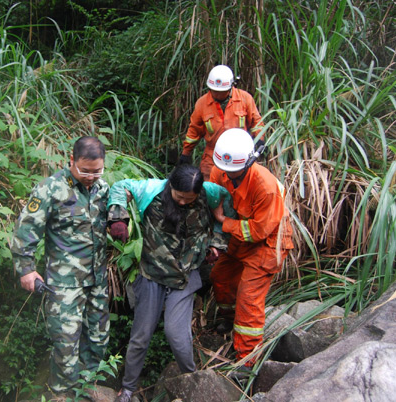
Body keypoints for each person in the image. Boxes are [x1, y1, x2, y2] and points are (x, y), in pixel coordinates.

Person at [108, 165, 234, 402]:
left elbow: (226, 205)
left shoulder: (210, 192)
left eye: (190, 198)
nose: (184, 202)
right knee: (141, 335)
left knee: (177, 334)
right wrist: (119, 219)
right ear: (171, 186)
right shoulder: (151, 190)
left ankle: (192, 380)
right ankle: (128, 388)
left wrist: (217, 243)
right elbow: (120, 186)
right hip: (152, 275)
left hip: (185, 277)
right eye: (179, 197)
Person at [10, 136, 110, 396]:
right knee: (65, 345)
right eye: (85, 171)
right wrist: (26, 268)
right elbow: (26, 230)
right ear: (71, 161)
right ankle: (62, 394)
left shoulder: (103, 188)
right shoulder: (51, 188)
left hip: (97, 279)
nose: (91, 176)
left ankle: (89, 389)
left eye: (97, 171)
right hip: (64, 283)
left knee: (98, 339)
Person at [208, 128, 294, 368]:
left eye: (234, 171)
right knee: (220, 277)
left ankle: (246, 361)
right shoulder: (220, 170)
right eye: (225, 170)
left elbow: (258, 231)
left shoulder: (264, 186)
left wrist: (225, 223)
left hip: (267, 243)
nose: (228, 175)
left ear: (249, 162)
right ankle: (228, 318)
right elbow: (214, 203)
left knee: (249, 300)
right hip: (237, 236)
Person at [179, 64, 265, 180]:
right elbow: (194, 130)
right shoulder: (202, 104)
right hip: (212, 155)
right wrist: (186, 152)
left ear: (230, 87)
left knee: (242, 185)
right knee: (209, 189)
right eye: (214, 91)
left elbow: (256, 122)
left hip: (240, 154)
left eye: (221, 91)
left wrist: (260, 140)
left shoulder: (244, 99)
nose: (217, 94)